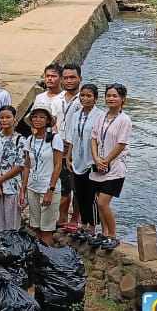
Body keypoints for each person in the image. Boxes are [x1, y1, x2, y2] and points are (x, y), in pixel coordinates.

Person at [89, 83, 132, 252]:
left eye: (115, 96)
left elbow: (121, 144)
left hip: (114, 169)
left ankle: (113, 234)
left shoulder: (124, 120)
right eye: (109, 96)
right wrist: (96, 158)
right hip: (99, 166)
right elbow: (93, 138)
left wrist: (105, 160)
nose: (111, 99)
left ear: (122, 99)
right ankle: (104, 232)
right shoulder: (101, 117)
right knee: (98, 201)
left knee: (103, 203)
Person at [62, 83, 100, 241]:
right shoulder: (76, 114)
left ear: (95, 98)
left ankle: (93, 226)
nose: (85, 98)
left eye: (89, 96)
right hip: (77, 159)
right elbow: (71, 138)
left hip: (91, 160)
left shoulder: (100, 116)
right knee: (80, 193)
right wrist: (69, 158)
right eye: (83, 95)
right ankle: (83, 224)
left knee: (91, 195)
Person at [22, 105, 63, 243]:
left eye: (42, 117)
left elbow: (58, 166)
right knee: (36, 228)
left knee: (47, 231)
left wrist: (50, 190)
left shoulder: (55, 139)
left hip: (47, 187)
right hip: (33, 187)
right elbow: (27, 165)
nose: (38, 120)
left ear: (47, 120)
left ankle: (48, 259)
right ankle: (39, 257)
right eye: (35, 116)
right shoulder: (30, 140)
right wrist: (23, 189)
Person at [0, 105, 27, 232]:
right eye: (2, 118)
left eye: (8, 117)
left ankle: (12, 248)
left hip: (13, 185)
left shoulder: (21, 140)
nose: (4, 120)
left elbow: (20, 165)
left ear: (14, 119)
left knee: (12, 223)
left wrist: (0, 180)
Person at [55, 63, 83, 229]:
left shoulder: (84, 99)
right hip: (59, 148)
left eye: (72, 77)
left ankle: (75, 218)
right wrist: (57, 136)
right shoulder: (58, 99)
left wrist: (71, 140)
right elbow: (52, 121)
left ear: (80, 78)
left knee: (77, 186)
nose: (69, 80)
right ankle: (62, 216)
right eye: (65, 77)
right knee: (63, 185)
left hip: (76, 150)